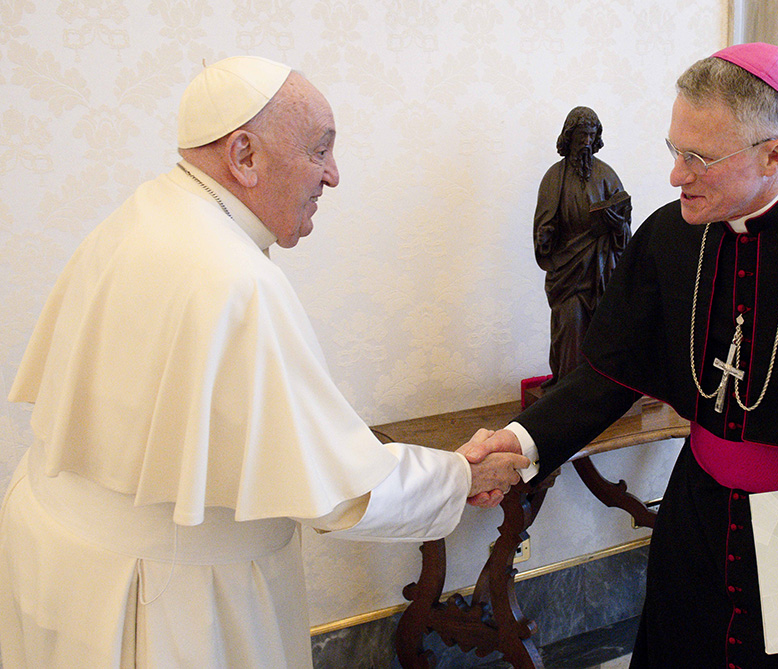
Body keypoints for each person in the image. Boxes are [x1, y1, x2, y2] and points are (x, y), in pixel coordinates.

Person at [0, 56, 527, 668]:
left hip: (61, 556)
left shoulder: (144, 212)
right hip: (165, 594)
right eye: (319, 151)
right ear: (244, 155)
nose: (332, 176)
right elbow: (338, 487)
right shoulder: (233, 278)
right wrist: (461, 475)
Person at [466, 43, 778, 667]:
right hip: (697, 518)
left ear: (775, 155)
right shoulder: (667, 236)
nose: (676, 174)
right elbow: (608, 373)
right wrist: (523, 442)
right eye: (674, 149)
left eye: (697, 158)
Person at [534, 106, 631, 387]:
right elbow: (544, 226)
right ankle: (569, 392)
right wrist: (545, 236)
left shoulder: (606, 175)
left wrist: (616, 224)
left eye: (591, 135)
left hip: (603, 266)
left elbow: (625, 226)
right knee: (571, 323)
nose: (586, 142)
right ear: (569, 136)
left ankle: (605, 391)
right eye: (581, 136)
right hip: (568, 270)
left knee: (607, 329)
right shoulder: (554, 177)